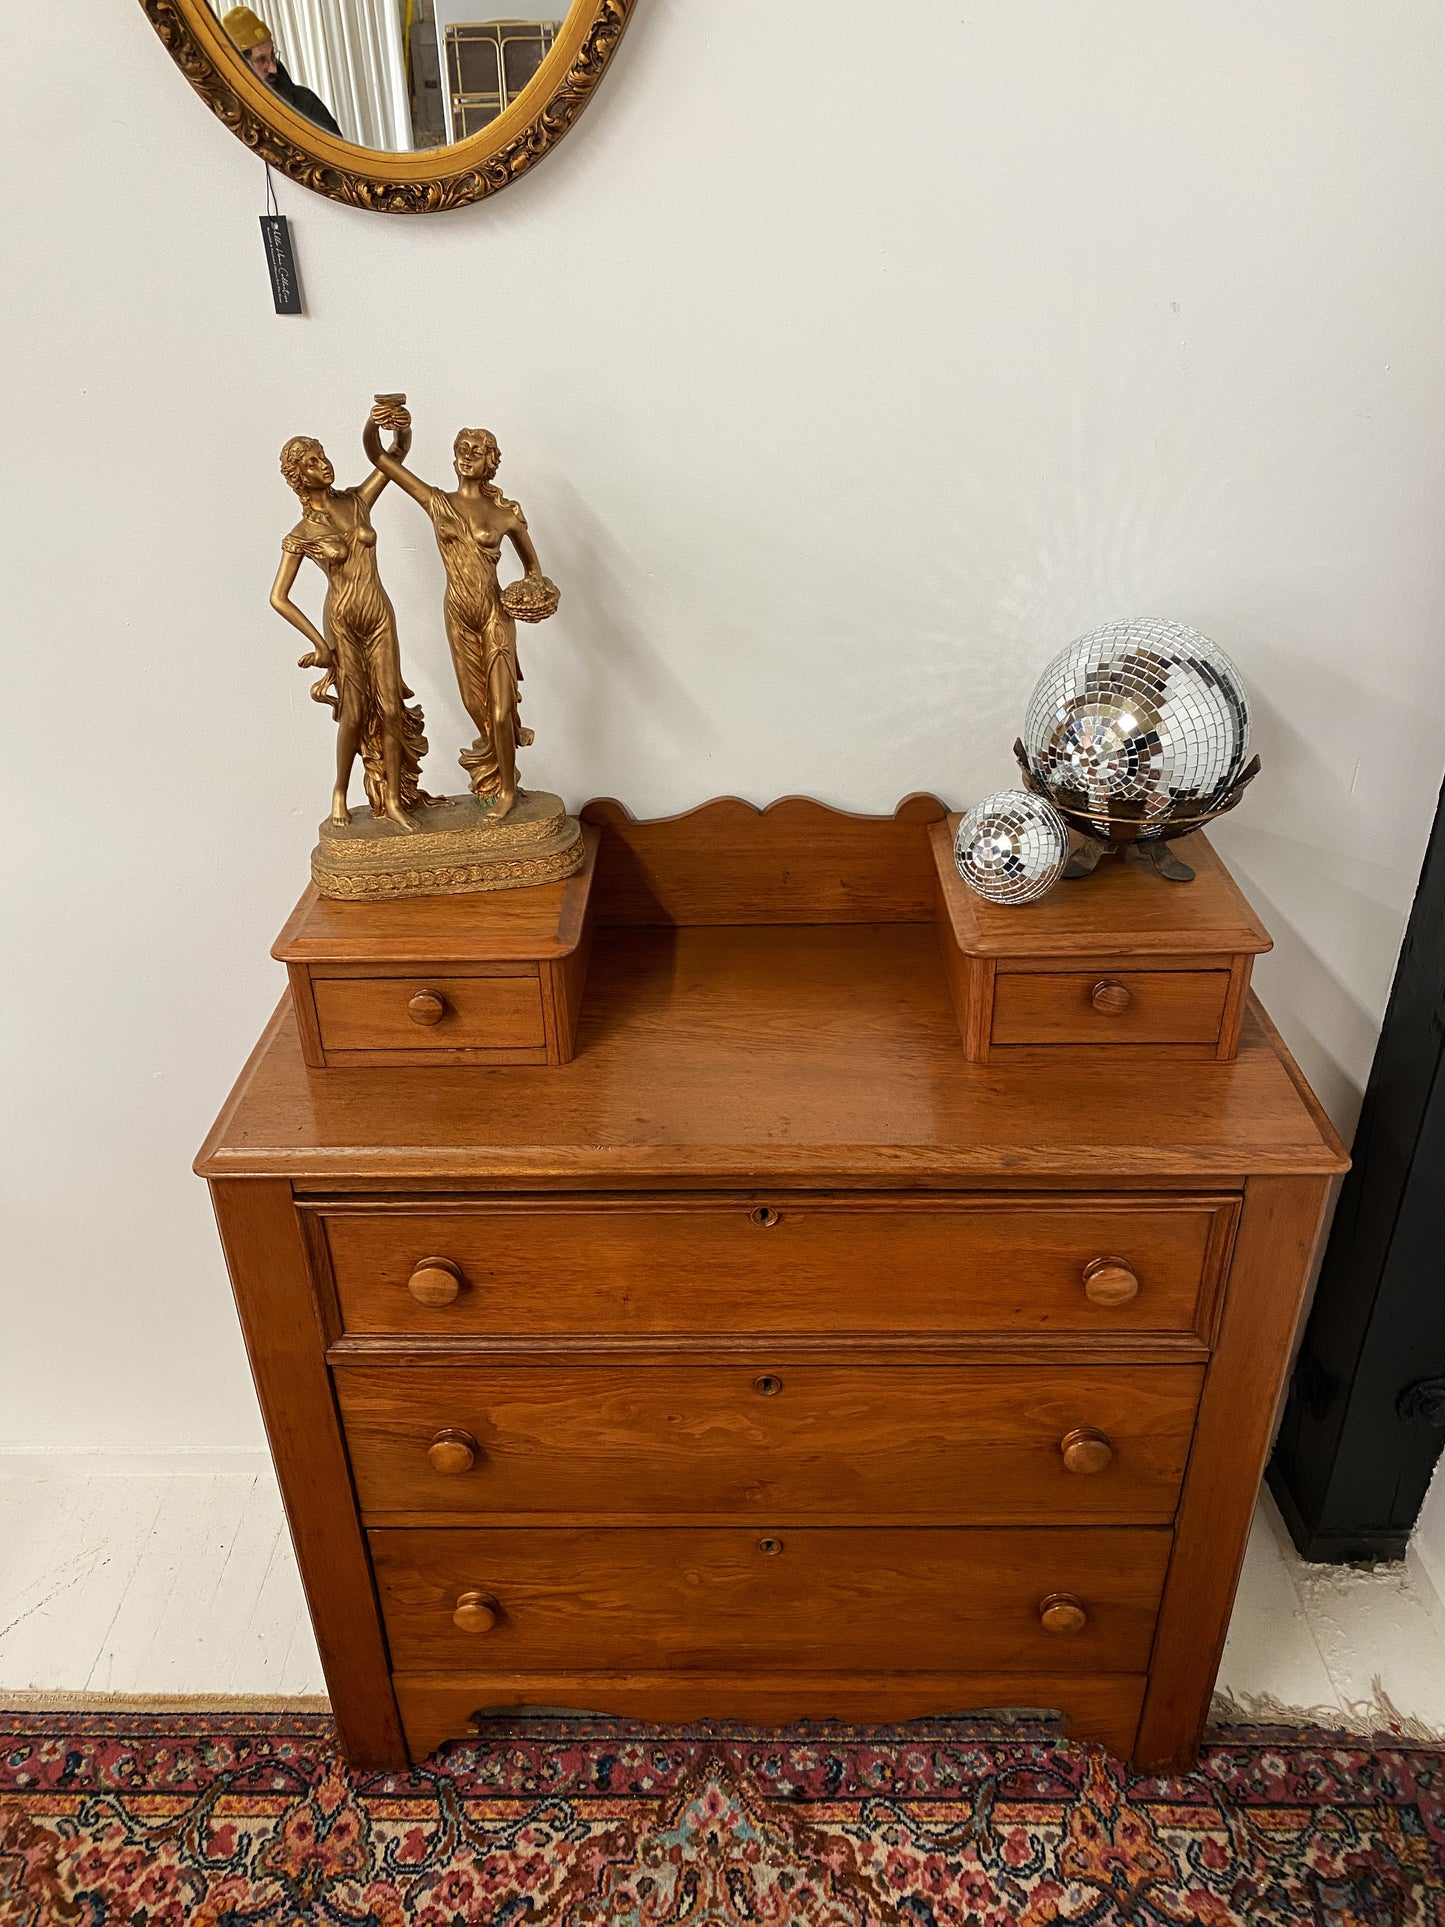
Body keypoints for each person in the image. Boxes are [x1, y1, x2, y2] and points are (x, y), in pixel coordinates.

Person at [362, 402, 558, 821]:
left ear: (492, 463)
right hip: (457, 614)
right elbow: (379, 457)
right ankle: (494, 771)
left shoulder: (506, 515)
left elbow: (533, 568)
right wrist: (381, 423)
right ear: (453, 456)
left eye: (477, 449)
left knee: (502, 708)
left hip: (493, 613)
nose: (468, 454)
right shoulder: (437, 502)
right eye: (462, 447)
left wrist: (533, 590)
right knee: (476, 704)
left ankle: (506, 790)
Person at [271, 429, 427, 832]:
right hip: (342, 623)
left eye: (322, 455)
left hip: (378, 614)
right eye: (311, 461)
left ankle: (392, 800)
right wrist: (320, 644)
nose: (323, 463)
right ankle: (340, 791)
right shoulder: (301, 534)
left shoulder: (358, 500)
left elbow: (395, 453)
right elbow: (279, 597)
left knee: (392, 707)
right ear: (298, 477)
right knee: (354, 713)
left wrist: (387, 423)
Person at [221, 7, 343, 138]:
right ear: (240, 66)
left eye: (272, 55)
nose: (273, 68)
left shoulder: (307, 104)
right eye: (261, 60)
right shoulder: (224, 119)